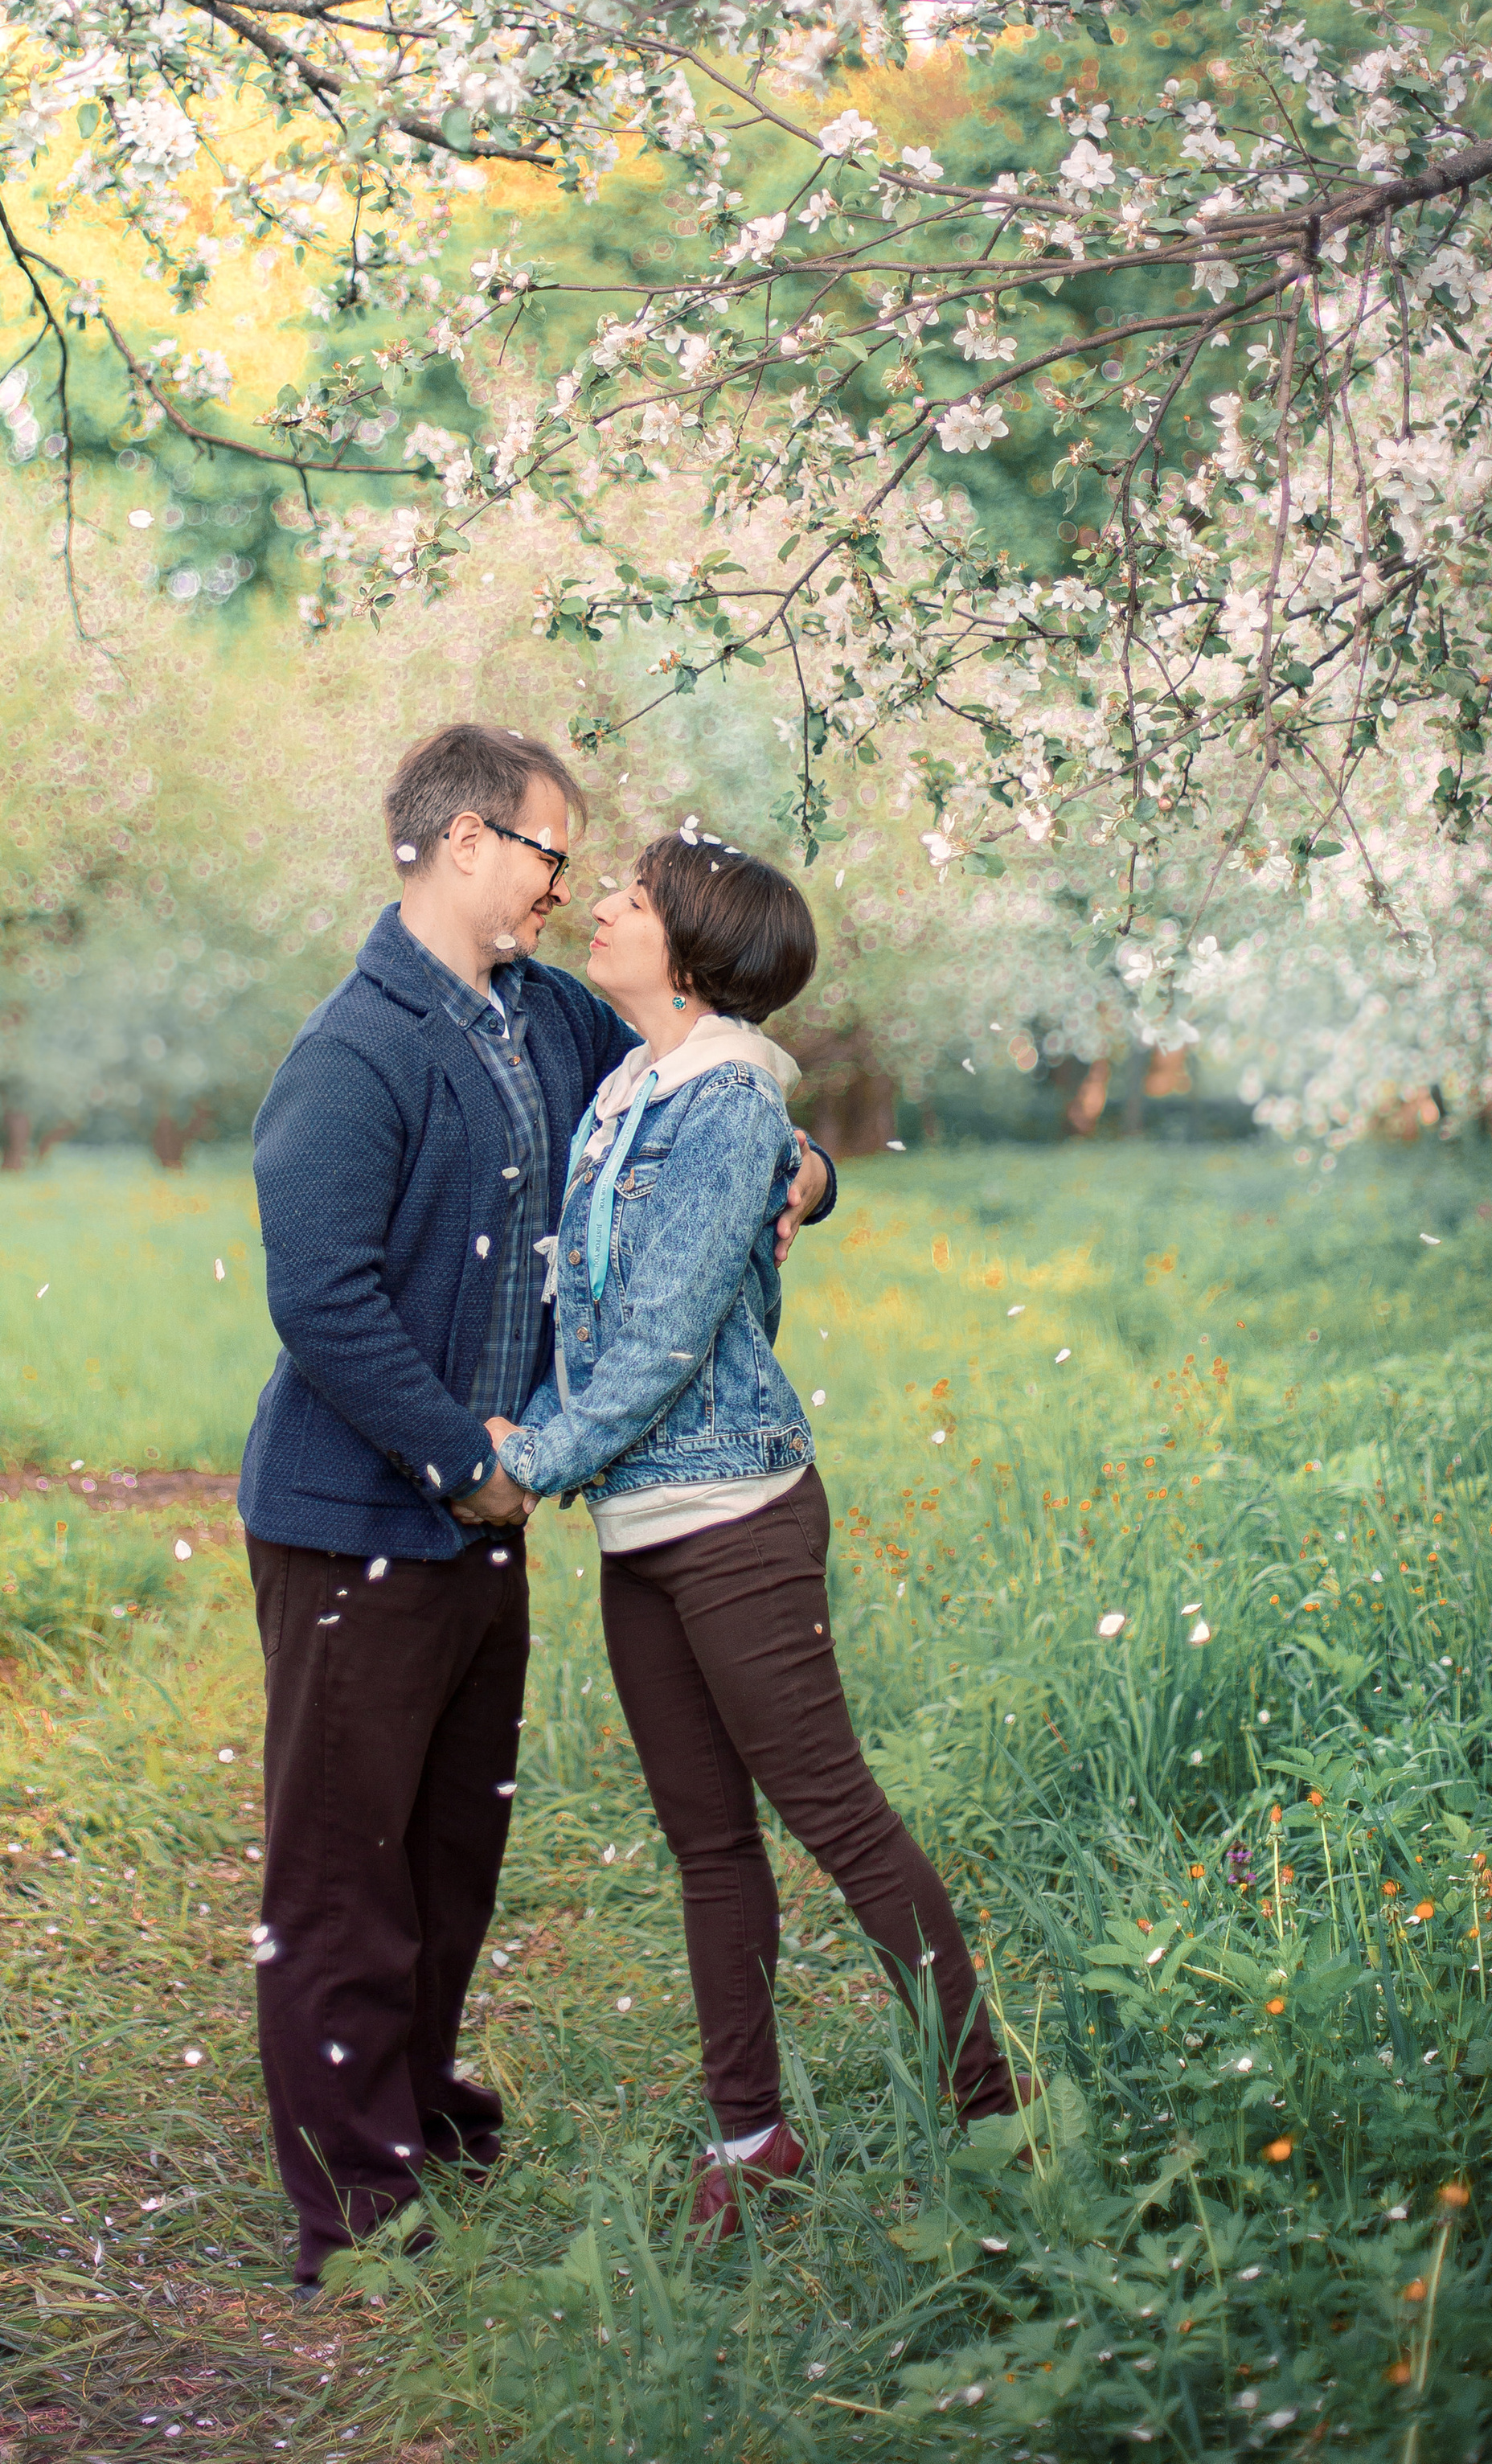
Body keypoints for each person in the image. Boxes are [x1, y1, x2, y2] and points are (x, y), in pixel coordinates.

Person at [236, 726, 837, 2290]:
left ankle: (414, 2109)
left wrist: (807, 1166)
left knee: (448, 1852)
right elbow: (323, 1296)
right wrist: (460, 1454)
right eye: (550, 851)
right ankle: (351, 2218)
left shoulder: (549, 1020)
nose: (568, 884)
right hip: (359, 1514)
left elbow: (693, 1090)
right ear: (460, 843)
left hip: (480, 1521)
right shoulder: (351, 1053)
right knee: (340, 1871)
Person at [490, 830, 1034, 2242]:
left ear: (689, 946)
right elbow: (594, 1303)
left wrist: (537, 1456)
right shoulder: (634, 1082)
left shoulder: (727, 1097)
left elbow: (665, 1329)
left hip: (734, 1517)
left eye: (630, 896)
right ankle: (754, 2142)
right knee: (708, 1844)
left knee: (835, 1815)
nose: (600, 905)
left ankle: (1001, 2121)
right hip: (640, 1529)